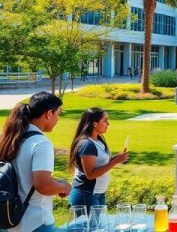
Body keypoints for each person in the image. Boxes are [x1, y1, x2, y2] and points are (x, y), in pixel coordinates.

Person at [0, 92, 71, 232]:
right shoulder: (41, 143)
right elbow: (43, 185)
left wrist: (56, 183)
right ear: (49, 114)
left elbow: (21, 177)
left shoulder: (10, 139)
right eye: (58, 113)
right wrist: (64, 187)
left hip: (11, 221)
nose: (58, 119)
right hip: (37, 222)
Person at [68, 108, 129, 212]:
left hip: (98, 193)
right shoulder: (87, 144)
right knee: (89, 227)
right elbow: (90, 174)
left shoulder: (98, 140)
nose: (108, 123)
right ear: (95, 124)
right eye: (105, 120)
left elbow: (100, 163)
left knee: (97, 227)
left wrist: (118, 158)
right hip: (86, 194)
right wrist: (115, 161)